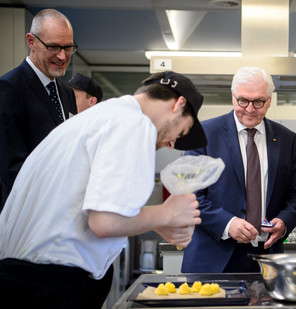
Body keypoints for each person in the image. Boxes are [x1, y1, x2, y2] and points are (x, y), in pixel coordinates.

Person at [0, 71, 206, 308]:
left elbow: (83, 205)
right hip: (51, 284)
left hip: (22, 277)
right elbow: (104, 222)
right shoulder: (135, 122)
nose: (172, 144)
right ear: (178, 105)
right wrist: (167, 213)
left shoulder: (99, 118)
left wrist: (156, 222)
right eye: (180, 132)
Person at [180, 66, 296, 273]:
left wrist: (284, 221)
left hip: (266, 257)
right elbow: (190, 195)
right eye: (243, 101)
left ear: (269, 101)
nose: (250, 109)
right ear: (233, 97)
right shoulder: (203, 134)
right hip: (212, 258)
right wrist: (228, 224)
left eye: (258, 102)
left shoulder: (287, 139)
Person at [0, 9, 78, 212]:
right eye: (53, 47)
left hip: (61, 211)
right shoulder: (9, 89)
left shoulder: (66, 92)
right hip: (26, 213)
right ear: (31, 41)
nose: (62, 56)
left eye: (68, 47)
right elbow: (12, 168)